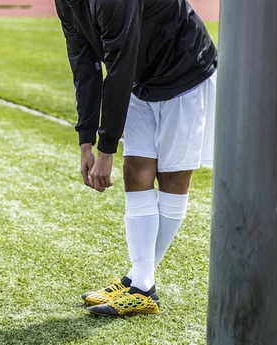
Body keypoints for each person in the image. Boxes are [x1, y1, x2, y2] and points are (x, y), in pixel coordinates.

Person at [55, 0, 217, 316]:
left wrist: (106, 150)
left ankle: (142, 287)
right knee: (136, 170)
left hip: (184, 72)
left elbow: (119, 63)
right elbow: (83, 61)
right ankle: (139, 281)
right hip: (140, 79)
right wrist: (86, 141)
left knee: (171, 177)